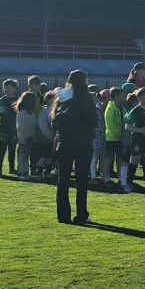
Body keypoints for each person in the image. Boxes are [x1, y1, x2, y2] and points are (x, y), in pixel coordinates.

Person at [53, 70, 97, 224]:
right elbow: (94, 121)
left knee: (63, 180)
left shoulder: (63, 96)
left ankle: (63, 215)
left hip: (65, 143)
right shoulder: (86, 97)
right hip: (83, 143)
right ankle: (81, 215)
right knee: (81, 181)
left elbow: (54, 121)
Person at [14, 91, 39, 180]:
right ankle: (21, 172)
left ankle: (25, 172)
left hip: (30, 138)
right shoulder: (22, 113)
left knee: (26, 156)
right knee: (22, 156)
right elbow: (20, 127)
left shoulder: (32, 113)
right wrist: (21, 139)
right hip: (24, 138)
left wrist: (34, 137)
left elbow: (34, 127)